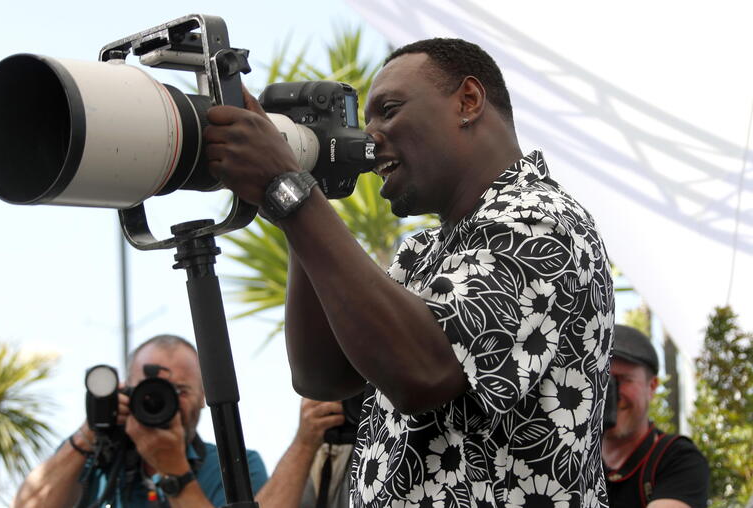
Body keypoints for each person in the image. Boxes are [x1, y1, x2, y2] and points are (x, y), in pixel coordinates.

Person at [203, 38, 616, 506]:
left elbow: (423, 372)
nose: (371, 135)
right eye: (367, 120)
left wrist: (288, 190)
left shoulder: (539, 219)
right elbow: (322, 376)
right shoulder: (421, 252)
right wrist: (304, 177)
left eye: (390, 109)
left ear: (468, 101)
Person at [12, 334, 343, 507]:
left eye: (180, 391)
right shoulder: (93, 458)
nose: (160, 401)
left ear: (203, 398)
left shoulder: (232, 466)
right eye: (147, 390)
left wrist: (174, 472)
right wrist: (89, 433)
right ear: (126, 390)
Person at [603, 325, 709, 508]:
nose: (611, 393)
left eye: (624, 379)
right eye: (602, 379)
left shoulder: (678, 458)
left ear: (651, 387)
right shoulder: (574, 458)